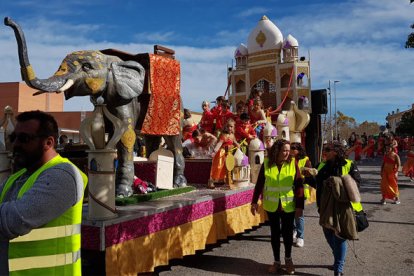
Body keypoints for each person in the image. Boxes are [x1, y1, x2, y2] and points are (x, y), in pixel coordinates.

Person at [0, 110, 88, 275]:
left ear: (48, 142)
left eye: (24, 138)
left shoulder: (63, 175)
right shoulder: (19, 176)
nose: (15, 145)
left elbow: (14, 220)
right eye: (14, 138)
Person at [251, 139, 305, 275]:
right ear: (277, 151)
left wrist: (300, 207)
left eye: (288, 150)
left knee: (287, 234)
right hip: (272, 205)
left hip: (288, 205)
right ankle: (276, 261)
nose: (287, 153)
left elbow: (299, 186)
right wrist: (254, 202)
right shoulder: (267, 163)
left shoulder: (293, 163)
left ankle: (288, 260)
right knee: (274, 234)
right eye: (284, 150)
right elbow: (259, 184)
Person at [311, 141, 362, 276]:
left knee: (340, 236)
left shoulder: (349, 165)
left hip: (344, 207)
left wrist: (336, 182)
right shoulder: (321, 165)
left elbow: (357, 184)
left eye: (327, 149)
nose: (324, 152)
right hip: (325, 207)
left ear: (336, 151)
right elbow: (315, 183)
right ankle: (338, 258)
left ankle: (338, 269)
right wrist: (308, 175)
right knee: (329, 236)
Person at [290, 142, 313, 248]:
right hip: (289, 190)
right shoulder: (288, 159)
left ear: (299, 150)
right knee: (290, 213)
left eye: (293, 148)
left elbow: (310, 174)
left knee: (299, 214)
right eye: (290, 148)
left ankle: (300, 236)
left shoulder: (305, 159)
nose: (291, 150)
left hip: (301, 190)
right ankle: (294, 230)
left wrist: (305, 173)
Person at [208, 119, 239, 188]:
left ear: (233, 127)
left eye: (231, 126)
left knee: (228, 167)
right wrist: (214, 151)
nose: (229, 128)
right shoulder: (224, 135)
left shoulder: (232, 135)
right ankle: (211, 180)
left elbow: (234, 142)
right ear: (225, 127)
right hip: (222, 153)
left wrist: (237, 145)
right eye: (228, 126)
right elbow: (219, 143)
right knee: (218, 167)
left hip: (229, 153)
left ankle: (225, 180)